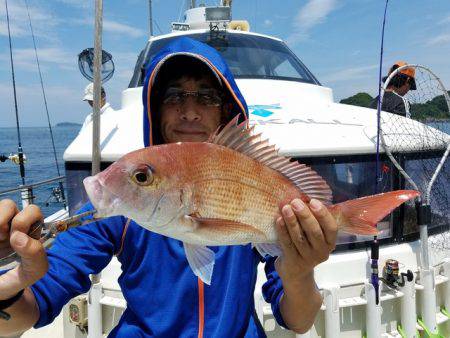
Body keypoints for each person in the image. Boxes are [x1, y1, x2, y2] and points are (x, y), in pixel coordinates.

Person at [0, 38, 338, 337]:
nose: (190, 112)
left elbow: (299, 321)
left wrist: (299, 271)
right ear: (155, 108)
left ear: (225, 111)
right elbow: (28, 309)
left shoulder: (248, 186)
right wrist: (11, 286)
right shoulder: (122, 203)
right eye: (175, 96)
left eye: (206, 97)